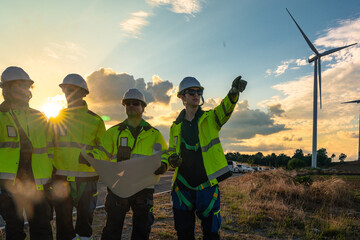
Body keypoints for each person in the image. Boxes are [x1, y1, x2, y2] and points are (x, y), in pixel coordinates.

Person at [168, 76, 247, 240]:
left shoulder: (211, 119)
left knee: (211, 234)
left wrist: (233, 93)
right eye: (191, 92)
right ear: (182, 97)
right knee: (184, 234)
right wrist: (172, 160)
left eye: (199, 91)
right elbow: (170, 151)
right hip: (182, 187)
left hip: (207, 186)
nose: (196, 95)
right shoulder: (175, 127)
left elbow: (225, 109)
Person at [85, 88, 169, 240]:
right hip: (119, 186)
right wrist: (92, 156)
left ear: (143, 107)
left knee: (141, 230)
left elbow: (165, 154)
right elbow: (102, 151)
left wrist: (163, 164)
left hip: (144, 186)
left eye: (135, 103)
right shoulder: (114, 132)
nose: (131, 106)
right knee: (112, 229)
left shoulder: (154, 134)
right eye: (127, 103)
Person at [49, 74, 106, 240]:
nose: (69, 93)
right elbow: (48, 147)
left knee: (85, 223)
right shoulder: (55, 119)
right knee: (63, 224)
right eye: (66, 90)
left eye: (72, 90)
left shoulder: (95, 120)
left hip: (87, 179)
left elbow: (105, 149)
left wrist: (91, 155)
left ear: (83, 93)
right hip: (61, 179)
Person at [0, 66, 53, 239]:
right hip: (8, 187)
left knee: (42, 229)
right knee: (14, 230)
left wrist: (50, 177)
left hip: (37, 184)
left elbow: (50, 148)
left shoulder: (39, 116)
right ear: (6, 88)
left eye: (26, 86)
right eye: (19, 85)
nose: (24, 90)